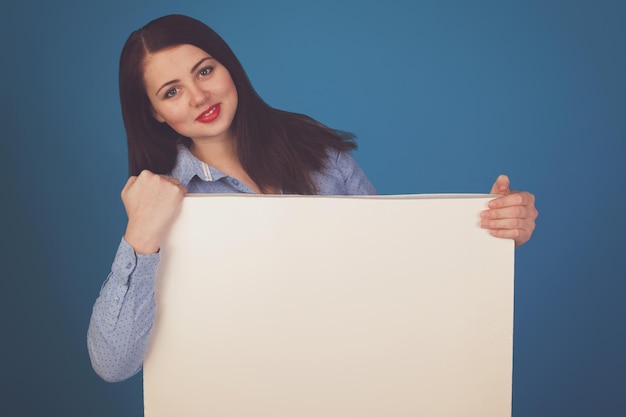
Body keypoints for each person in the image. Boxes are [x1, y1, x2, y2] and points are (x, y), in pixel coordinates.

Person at [87, 14, 538, 383]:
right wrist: (140, 237)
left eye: (205, 70)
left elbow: (398, 267)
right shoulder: (160, 202)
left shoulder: (319, 155)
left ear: (229, 67)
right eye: (172, 91)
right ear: (154, 112)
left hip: (355, 387)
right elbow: (113, 364)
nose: (199, 95)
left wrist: (493, 235)